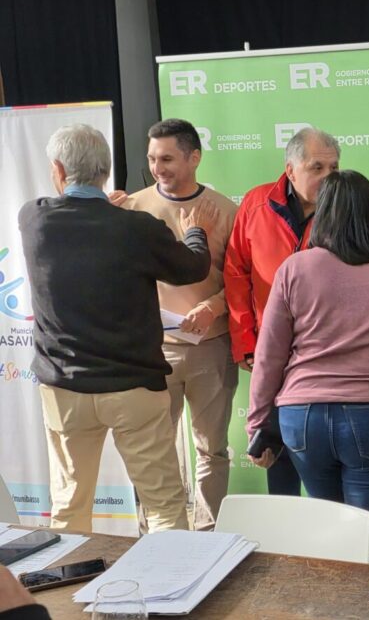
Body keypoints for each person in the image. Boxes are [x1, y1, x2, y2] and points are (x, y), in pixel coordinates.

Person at [19, 124, 215, 533]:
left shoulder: (34, 218)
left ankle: (68, 575)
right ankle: (172, 577)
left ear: (59, 170)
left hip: (65, 390)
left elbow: (81, 228)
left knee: (69, 508)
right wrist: (196, 232)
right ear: (106, 172)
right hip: (134, 388)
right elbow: (193, 268)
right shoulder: (137, 228)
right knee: (164, 508)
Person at [247, 170, 369, 565]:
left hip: (302, 419)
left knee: (330, 537)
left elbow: (269, 355)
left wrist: (257, 422)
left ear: (324, 213)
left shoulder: (294, 268)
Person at [115, 119, 239, 531]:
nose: (157, 167)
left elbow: (243, 282)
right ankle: (155, 534)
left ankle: (208, 536)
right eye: (152, 158)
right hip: (153, 351)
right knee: (153, 450)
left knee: (212, 450)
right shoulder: (131, 209)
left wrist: (213, 306)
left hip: (211, 347)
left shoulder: (226, 211)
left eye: (167, 158)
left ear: (194, 157)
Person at [225, 127, 340, 496]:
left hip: (325, 357)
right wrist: (246, 341)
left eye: (334, 168)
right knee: (277, 458)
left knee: (326, 466)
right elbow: (236, 274)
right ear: (290, 170)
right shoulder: (256, 204)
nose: (327, 177)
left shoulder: (346, 209)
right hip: (270, 351)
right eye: (317, 167)